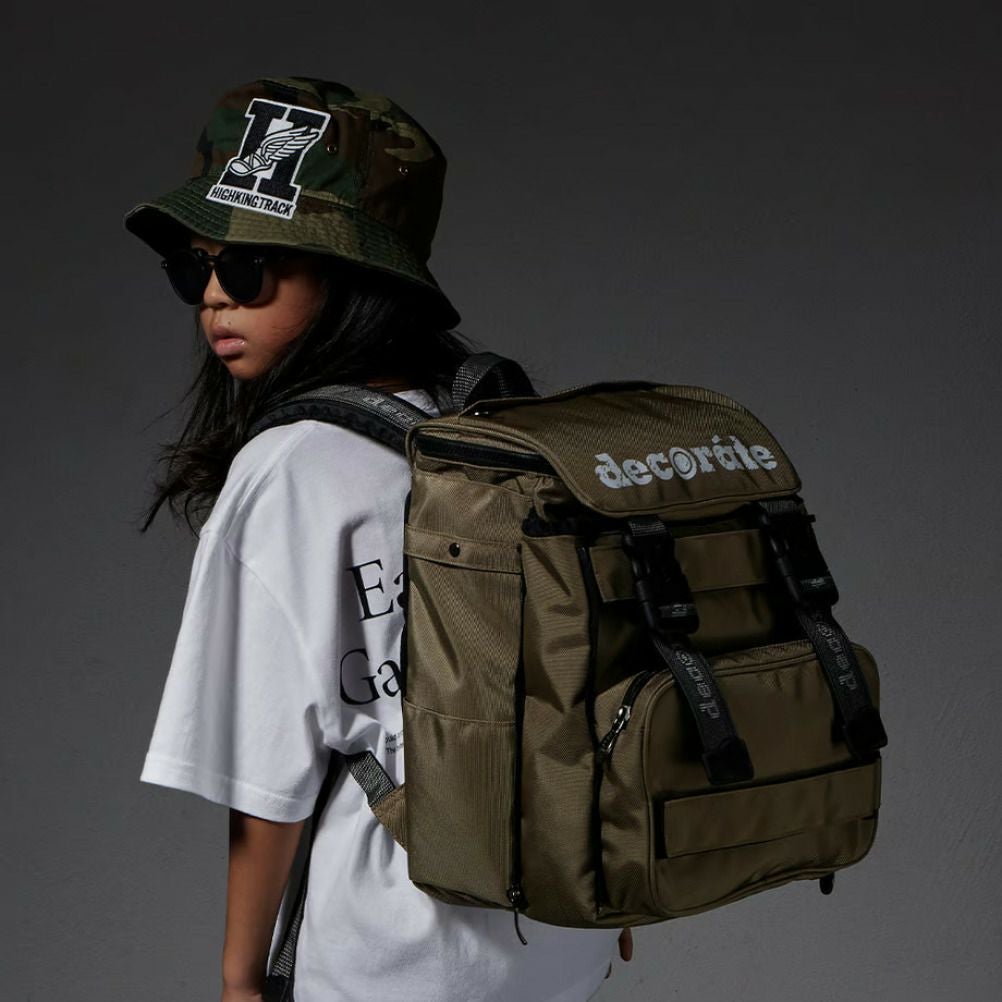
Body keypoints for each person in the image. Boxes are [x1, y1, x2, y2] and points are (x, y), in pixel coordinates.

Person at [129, 76, 631, 1002]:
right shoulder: (500, 432)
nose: (213, 298)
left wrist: (239, 981)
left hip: (395, 949)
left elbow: (266, 781)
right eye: (193, 269)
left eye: (249, 269)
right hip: (563, 933)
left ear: (350, 274)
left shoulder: (288, 468)